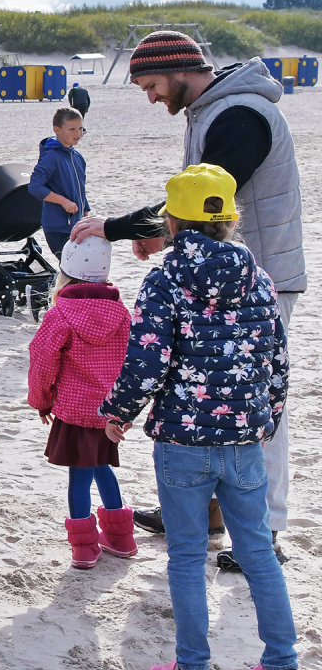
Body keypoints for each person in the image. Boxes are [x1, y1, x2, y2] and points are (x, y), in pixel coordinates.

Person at [71, 31, 306, 563]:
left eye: (151, 85)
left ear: (179, 69)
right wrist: (165, 234)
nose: (151, 98)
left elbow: (206, 201)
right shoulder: (211, 111)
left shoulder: (241, 115)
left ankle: (264, 530)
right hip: (222, 278)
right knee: (209, 392)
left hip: (257, 283)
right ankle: (209, 511)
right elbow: (197, 206)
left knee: (256, 403)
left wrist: (117, 227)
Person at [100, 164, 303, 670]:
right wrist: (266, 418)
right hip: (244, 440)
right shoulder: (258, 278)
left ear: (171, 221)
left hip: (183, 441)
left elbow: (147, 360)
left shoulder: (165, 280)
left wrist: (118, 411)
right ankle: (282, 669)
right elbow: (277, 361)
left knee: (188, 554)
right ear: (230, 221)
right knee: (257, 550)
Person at [26, 235, 134, 569]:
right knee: (102, 466)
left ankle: (85, 546)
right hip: (108, 411)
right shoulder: (121, 313)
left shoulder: (60, 314)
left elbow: (42, 361)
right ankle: (121, 537)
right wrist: (125, 407)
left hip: (74, 410)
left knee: (80, 475)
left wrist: (41, 400)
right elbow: (132, 361)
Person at [28, 107, 89, 259]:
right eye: (72, 129)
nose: (78, 134)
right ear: (57, 130)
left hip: (76, 226)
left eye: (80, 128)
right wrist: (63, 201)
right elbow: (35, 187)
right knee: (73, 266)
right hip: (58, 228)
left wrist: (85, 212)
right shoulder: (51, 157)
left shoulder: (78, 157)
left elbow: (79, 188)